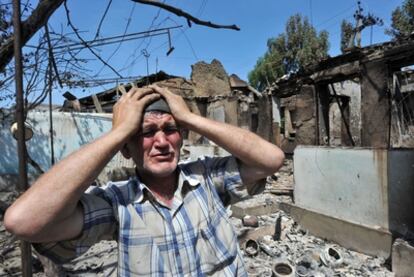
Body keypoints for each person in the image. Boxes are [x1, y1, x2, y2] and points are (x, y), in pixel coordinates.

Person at [4, 84, 285, 276]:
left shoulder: (208, 179)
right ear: (126, 148)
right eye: (147, 133)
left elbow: (271, 160)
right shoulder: (117, 205)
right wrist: (119, 132)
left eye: (171, 129)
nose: (161, 142)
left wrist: (189, 117)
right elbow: (22, 221)